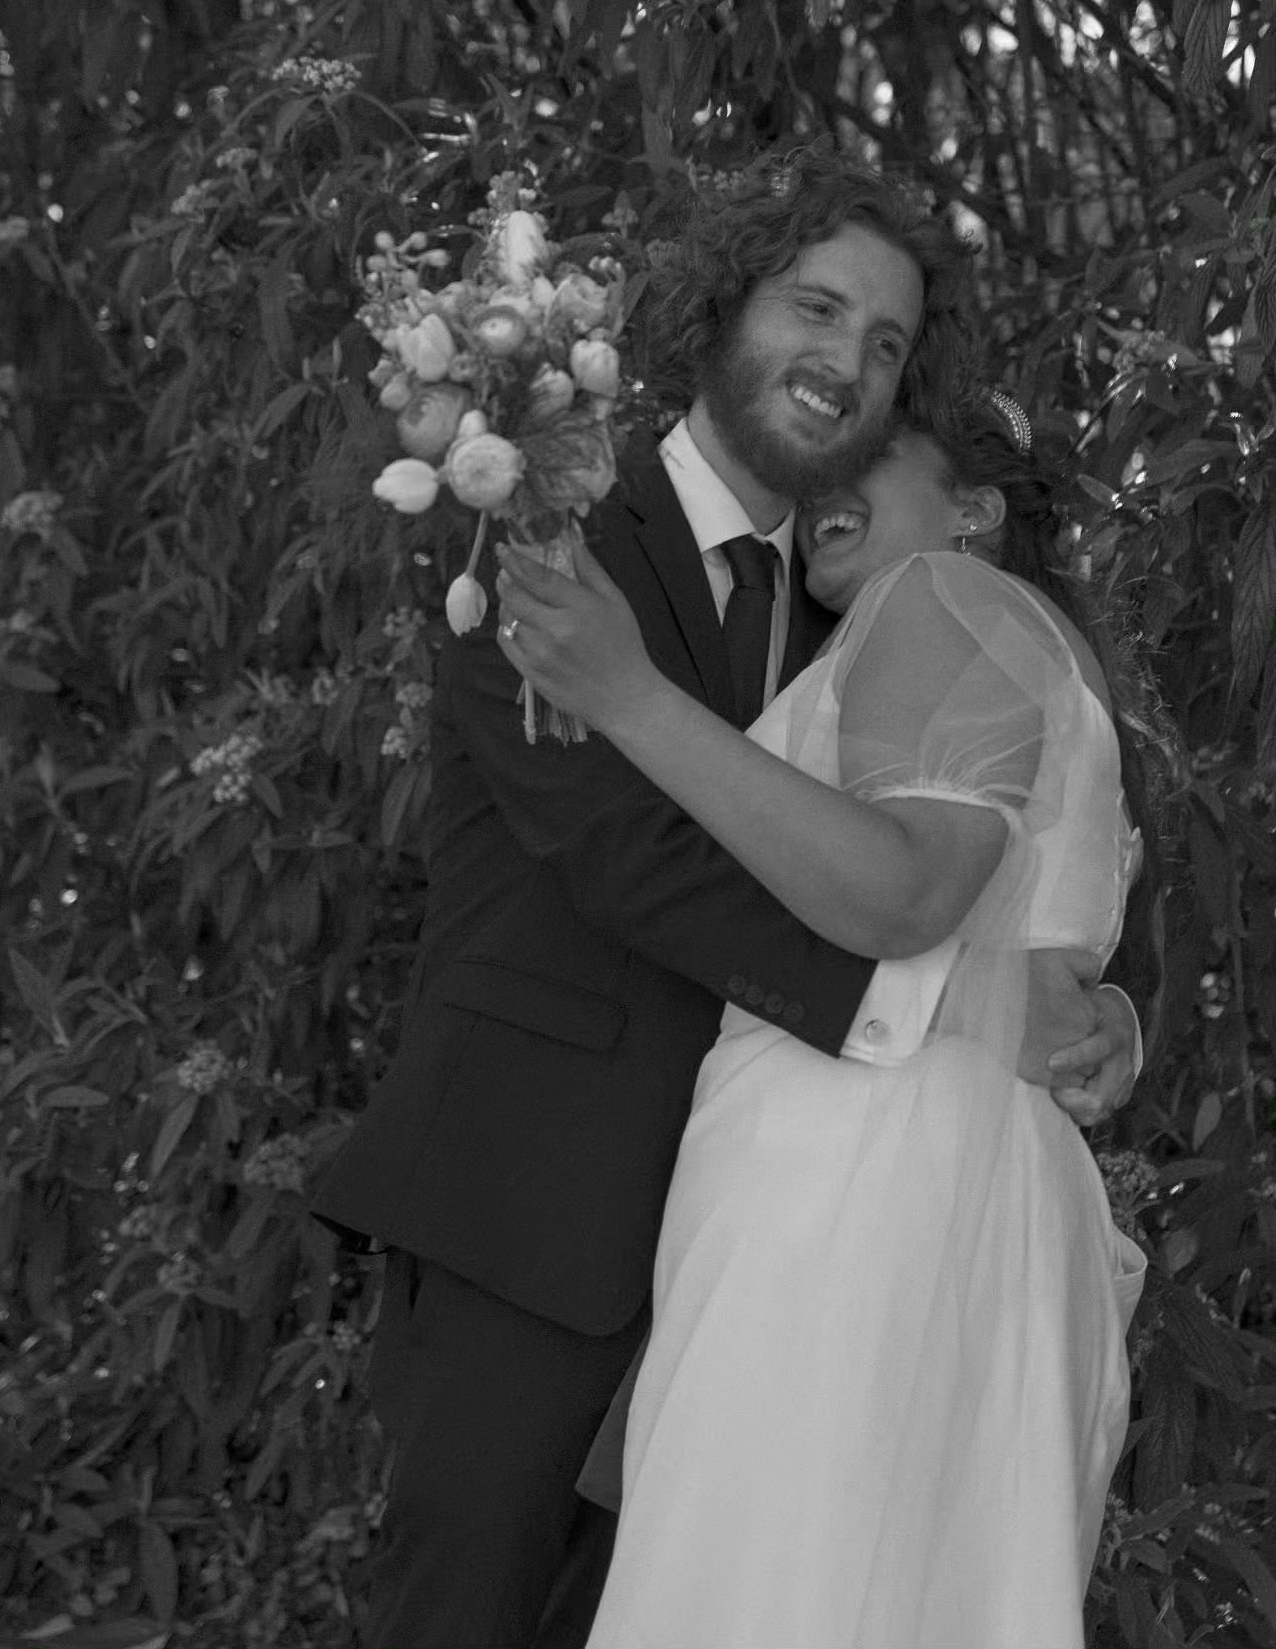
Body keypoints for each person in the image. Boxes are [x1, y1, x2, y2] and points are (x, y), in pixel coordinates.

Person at [310, 145, 1141, 1649]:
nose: (847, 364)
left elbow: (930, 848)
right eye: (817, 310)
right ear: (723, 305)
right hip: (535, 1217)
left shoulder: (867, 609)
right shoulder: (547, 519)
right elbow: (632, 858)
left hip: (772, 1245)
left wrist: (1067, 1009)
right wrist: (955, 1004)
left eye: (885, 347)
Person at [493, 407, 1153, 1648]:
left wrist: (628, 695)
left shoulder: (942, 598)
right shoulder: (1026, 653)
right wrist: (1107, 1020)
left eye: (875, 452)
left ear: (976, 509)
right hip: (970, 1180)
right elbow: (1039, 945)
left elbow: (906, 891)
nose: (824, 482)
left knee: (778, 1585)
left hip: (861, 1175)